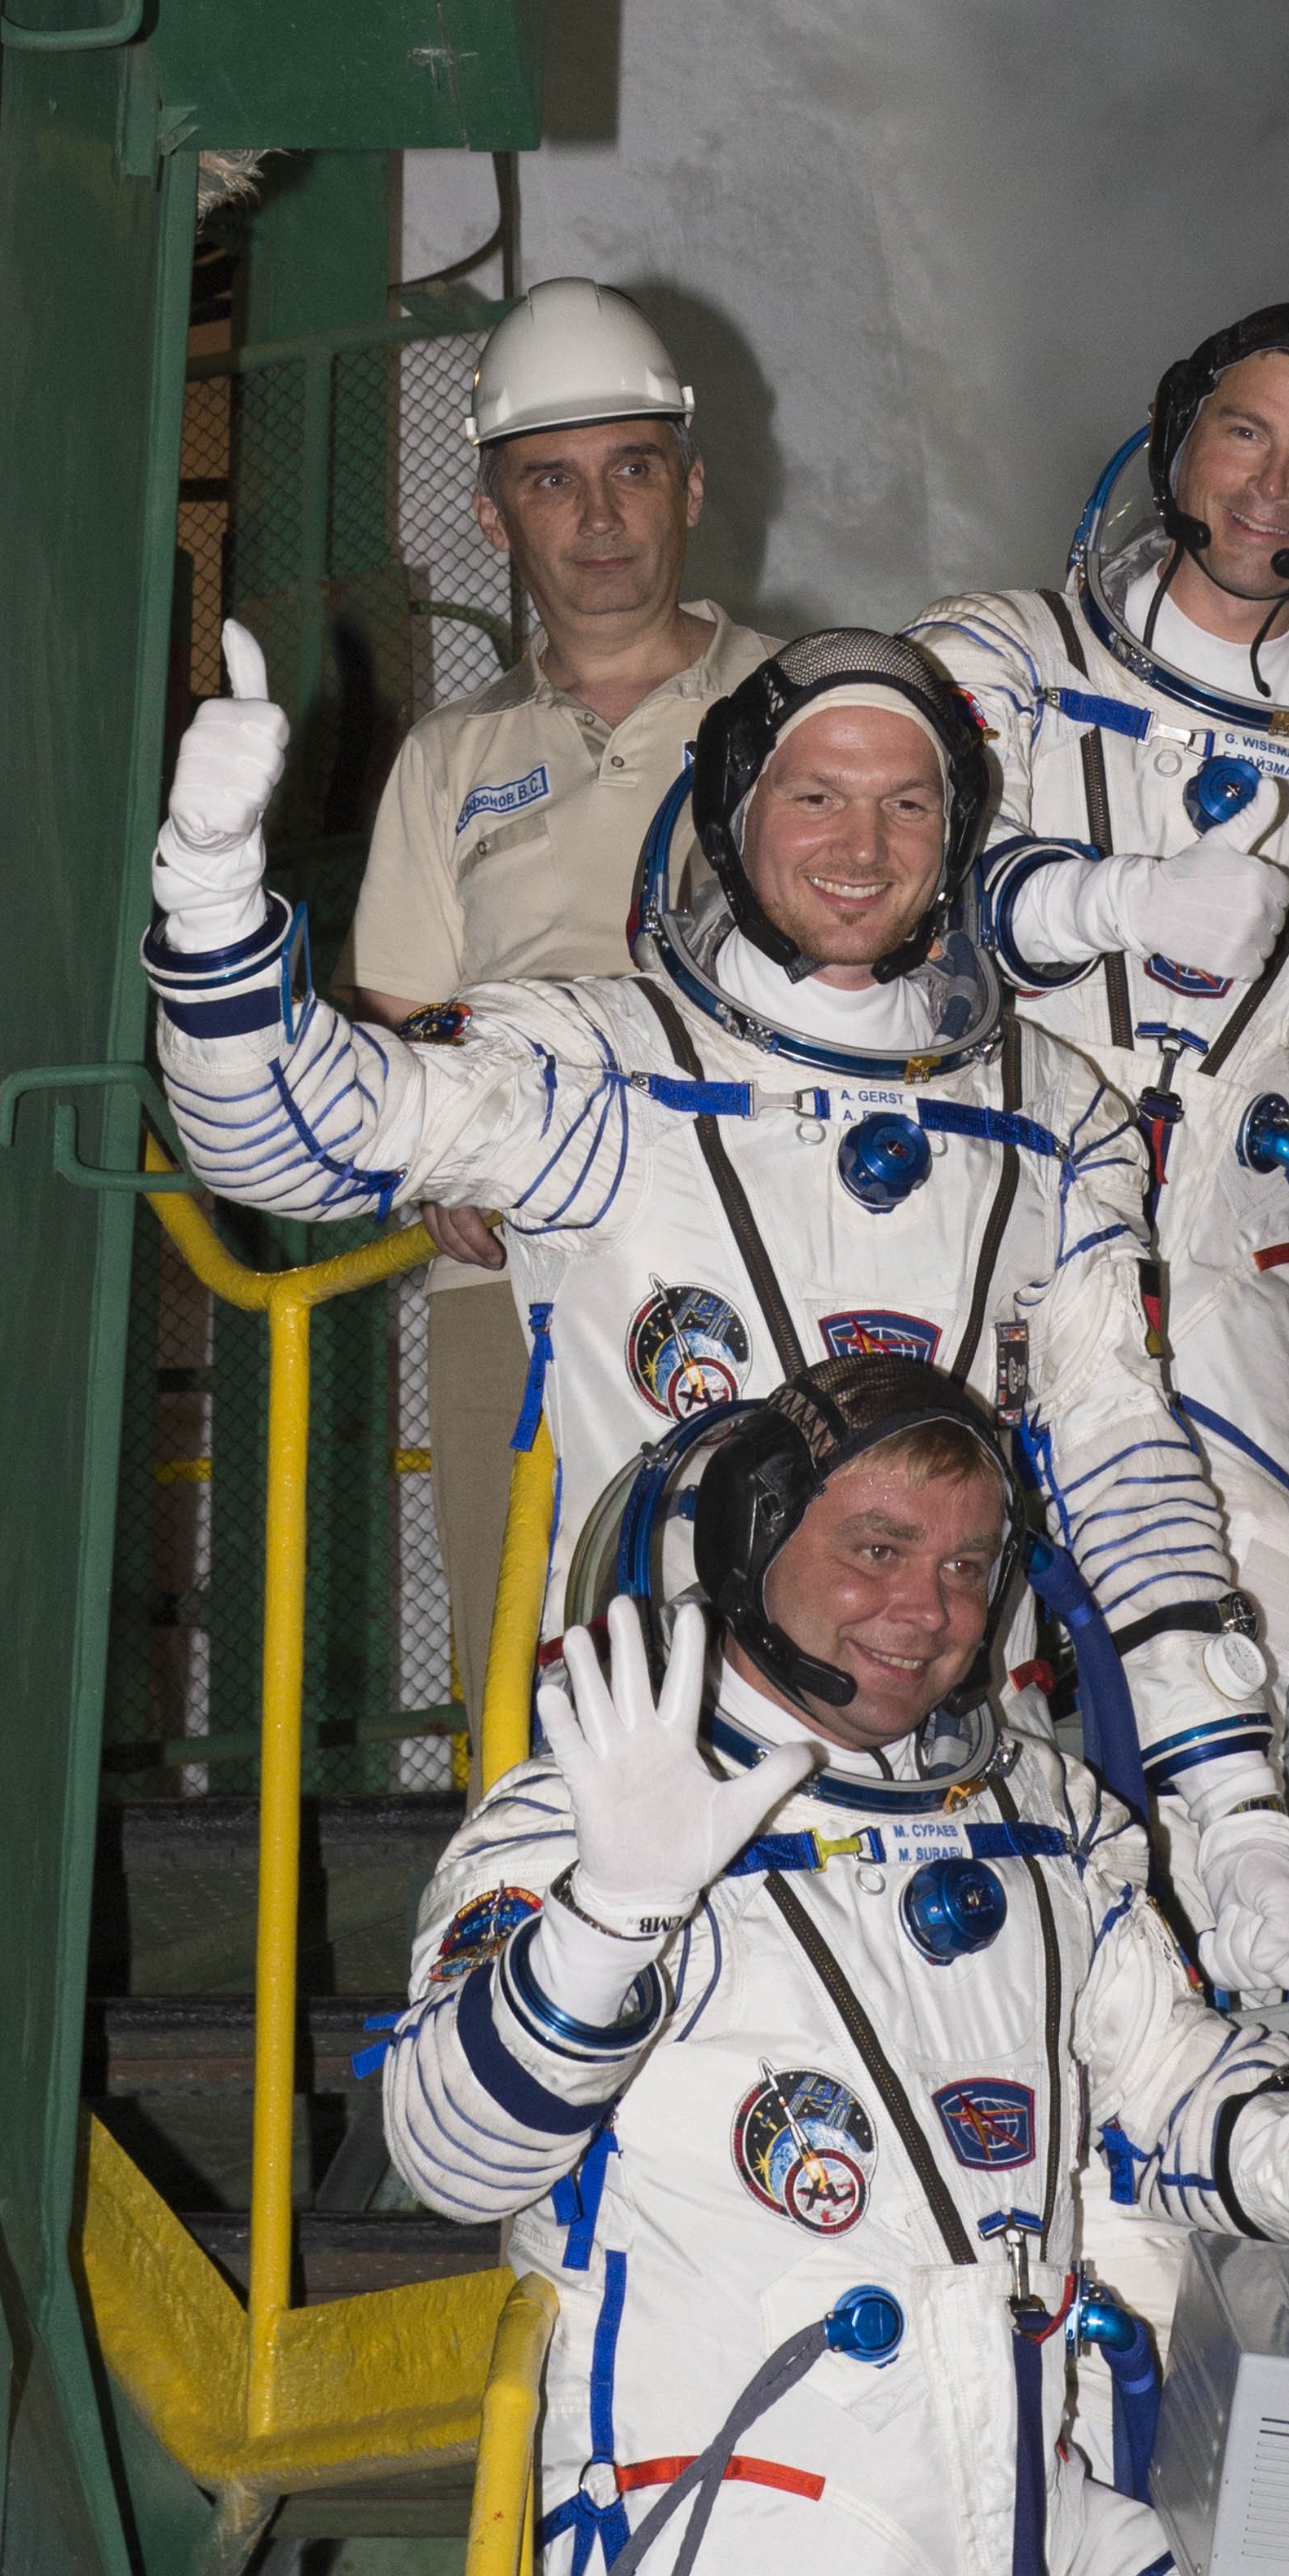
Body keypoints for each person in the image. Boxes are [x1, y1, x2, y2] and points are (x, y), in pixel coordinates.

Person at [144, 622, 1289, 1997]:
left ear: (956, 836)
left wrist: (1231, 1810)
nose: (862, 845)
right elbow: (290, 1138)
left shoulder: (1056, 1117)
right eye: (815, 795)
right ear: (731, 812)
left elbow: (1126, 1469)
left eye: (908, 803)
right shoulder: (606, 1070)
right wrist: (215, 894)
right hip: (654, 1813)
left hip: (982, 1815)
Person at [377, 1355, 1289, 2576]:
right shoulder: (583, 1818)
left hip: (1027, 2512)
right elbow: (449, 2160)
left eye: (965, 1569)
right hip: (743, 2514)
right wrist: (612, 1918)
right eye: (877, 1549)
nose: (925, 1610)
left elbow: (1175, 2078)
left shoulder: (1046, 1825)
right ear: (751, 1541)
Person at [909, 302, 1289, 1787]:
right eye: (1244, 432)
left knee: (1232, 1662)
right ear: (1177, 441)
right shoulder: (992, 663)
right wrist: (1098, 899)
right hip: (969, 1239)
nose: (1268, 486)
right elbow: (876, 890)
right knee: (913, 1650)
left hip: (1228, 1288)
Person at [338, 279, 779, 1734]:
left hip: (781, 1249)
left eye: (630, 468)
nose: (596, 516)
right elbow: (399, 1031)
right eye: (550, 479)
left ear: (690, 487)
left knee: (785, 1669)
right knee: (531, 1691)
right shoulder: (449, 759)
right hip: (512, 1289)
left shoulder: (813, 707)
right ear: (492, 515)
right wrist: (440, 1173)